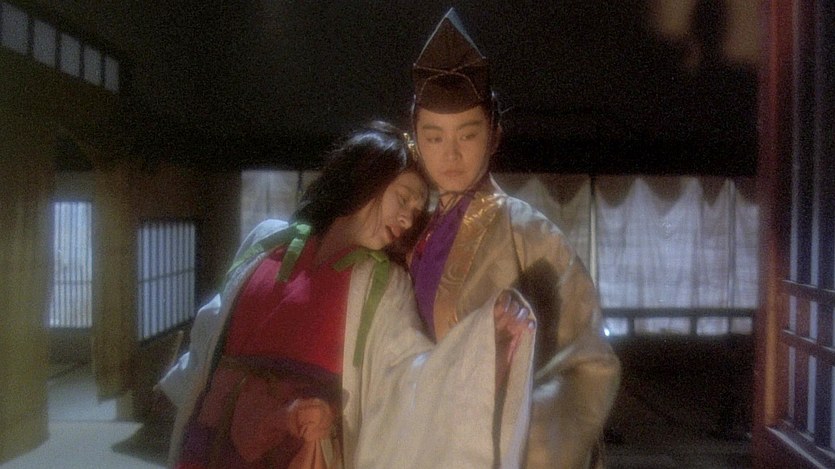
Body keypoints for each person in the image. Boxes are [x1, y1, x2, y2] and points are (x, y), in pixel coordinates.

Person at [157, 121, 536, 469]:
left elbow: (410, 377)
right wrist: (187, 387)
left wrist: (484, 345)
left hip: (301, 449)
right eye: (404, 198)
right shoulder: (266, 240)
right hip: (211, 435)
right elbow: (213, 329)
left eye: (417, 211)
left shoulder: (383, 283)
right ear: (366, 177)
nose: (408, 218)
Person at [407, 9, 622, 469]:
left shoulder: (530, 234)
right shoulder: (409, 232)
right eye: (434, 137)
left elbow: (587, 364)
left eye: (467, 135)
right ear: (415, 141)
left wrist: (520, 440)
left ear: (494, 134)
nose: (450, 154)